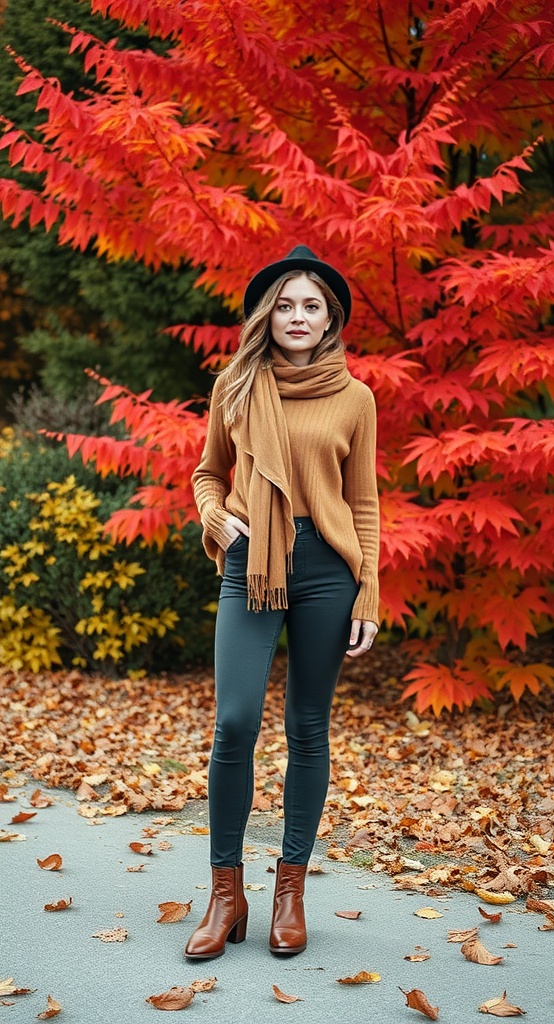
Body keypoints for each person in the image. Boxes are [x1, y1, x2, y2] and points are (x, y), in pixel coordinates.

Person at [185, 244, 380, 961]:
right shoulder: (235, 386)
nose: (298, 316)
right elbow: (208, 474)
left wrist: (369, 591)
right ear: (267, 316)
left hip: (326, 568)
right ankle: (225, 895)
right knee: (234, 723)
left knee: (307, 727)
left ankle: (290, 893)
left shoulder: (355, 398)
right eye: (286, 305)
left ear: (330, 319)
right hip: (250, 564)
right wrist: (215, 517)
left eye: (312, 306)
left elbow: (364, 502)